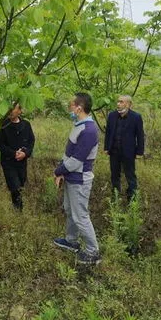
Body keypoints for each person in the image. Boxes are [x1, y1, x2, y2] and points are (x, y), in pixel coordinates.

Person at [53, 93, 101, 265]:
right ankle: (71, 241)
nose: (69, 108)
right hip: (71, 176)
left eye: (71, 105)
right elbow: (69, 155)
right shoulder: (79, 125)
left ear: (79, 108)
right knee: (70, 209)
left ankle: (92, 251)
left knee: (80, 215)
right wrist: (62, 171)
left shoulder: (88, 130)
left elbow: (76, 161)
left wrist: (58, 171)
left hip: (80, 179)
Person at [104, 95, 145, 202]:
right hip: (114, 151)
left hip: (129, 152)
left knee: (130, 175)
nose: (118, 104)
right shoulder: (112, 116)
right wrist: (106, 147)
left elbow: (140, 135)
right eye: (118, 101)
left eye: (121, 102)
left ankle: (132, 199)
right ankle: (115, 197)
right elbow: (108, 133)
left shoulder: (136, 117)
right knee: (114, 175)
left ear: (129, 104)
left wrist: (140, 152)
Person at [0, 103, 35, 210]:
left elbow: (31, 141)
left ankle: (17, 207)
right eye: (10, 108)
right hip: (8, 161)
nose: (11, 111)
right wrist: (14, 153)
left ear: (20, 111)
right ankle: (18, 210)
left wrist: (25, 153)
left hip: (22, 162)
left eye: (14, 108)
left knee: (21, 185)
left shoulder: (26, 125)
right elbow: (0, 145)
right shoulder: (3, 125)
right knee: (15, 186)